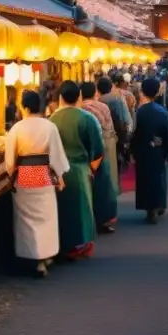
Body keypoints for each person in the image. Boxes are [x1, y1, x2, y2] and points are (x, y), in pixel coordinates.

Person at [5, 90, 70, 277]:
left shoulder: (17, 128)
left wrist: (11, 174)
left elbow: (10, 162)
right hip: (44, 177)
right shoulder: (49, 127)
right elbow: (56, 156)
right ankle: (44, 258)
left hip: (24, 178)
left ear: (25, 107)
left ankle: (33, 257)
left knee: (26, 221)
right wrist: (59, 177)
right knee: (46, 219)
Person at [49, 81, 105, 260]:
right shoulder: (87, 118)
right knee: (82, 209)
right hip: (81, 169)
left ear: (60, 97)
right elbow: (97, 148)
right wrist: (92, 169)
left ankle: (63, 244)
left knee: (62, 209)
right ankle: (81, 244)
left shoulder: (52, 119)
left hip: (57, 170)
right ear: (79, 97)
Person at [131, 77, 168, 224]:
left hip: (142, 150)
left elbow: (134, 133)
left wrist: (132, 150)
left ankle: (149, 208)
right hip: (158, 149)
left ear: (143, 91)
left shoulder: (139, 112)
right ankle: (159, 204)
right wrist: (167, 149)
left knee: (144, 178)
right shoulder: (163, 112)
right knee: (158, 177)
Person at [80, 81, 119, 234]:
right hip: (106, 145)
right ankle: (105, 218)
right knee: (104, 183)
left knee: (90, 184)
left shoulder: (81, 109)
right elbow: (110, 126)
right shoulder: (103, 106)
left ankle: (90, 218)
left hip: (88, 148)